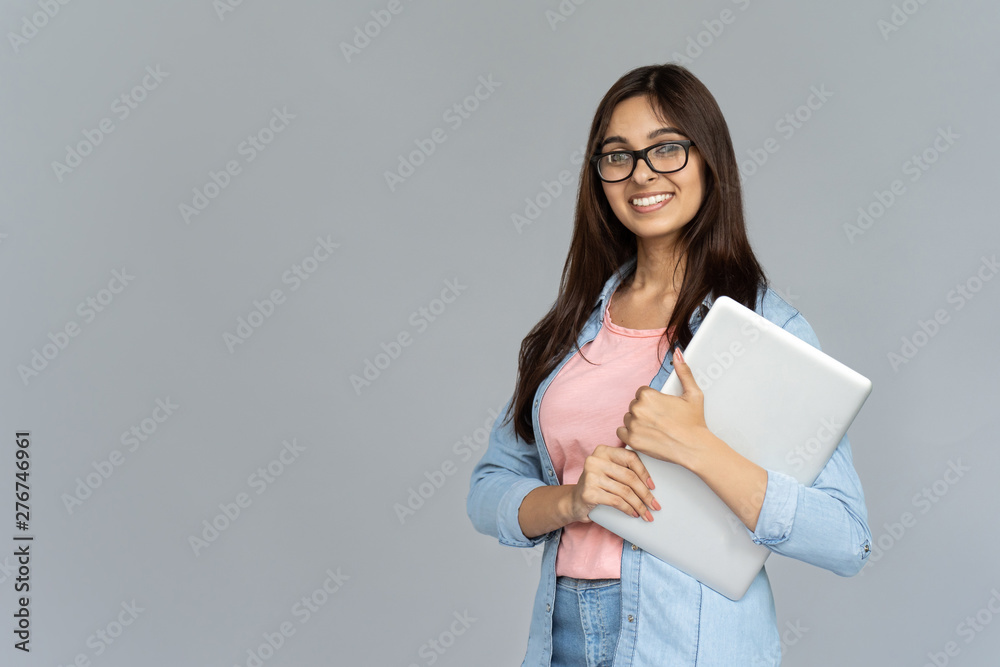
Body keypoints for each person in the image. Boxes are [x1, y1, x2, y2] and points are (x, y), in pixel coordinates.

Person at [465, 63, 872, 667]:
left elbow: (846, 538)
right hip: (563, 637)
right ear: (598, 176)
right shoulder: (572, 325)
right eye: (618, 156)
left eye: (667, 150)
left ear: (709, 160)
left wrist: (699, 448)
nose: (642, 175)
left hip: (686, 644)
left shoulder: (766, 332)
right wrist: (573, 501)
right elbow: (489, 488)